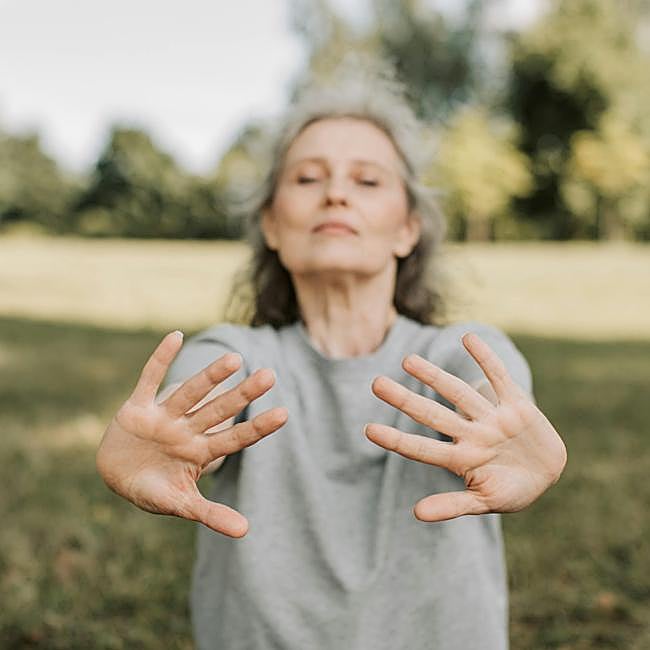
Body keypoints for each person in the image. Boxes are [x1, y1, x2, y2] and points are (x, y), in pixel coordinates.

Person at [96, 65, 567, 650]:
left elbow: (493, 378)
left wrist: (506, 425)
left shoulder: (456, 351)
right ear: (271, 223)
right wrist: (165, 439)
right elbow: (203, 391)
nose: (336, 193)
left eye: (368, 181)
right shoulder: (236, 354)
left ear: (407, 229)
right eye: (308, 178)